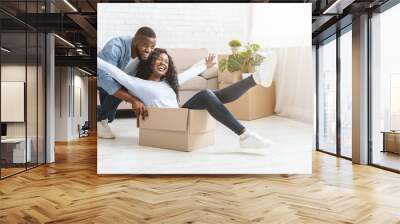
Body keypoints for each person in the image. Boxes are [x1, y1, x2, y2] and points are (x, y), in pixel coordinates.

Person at [98, 48, 273, 149]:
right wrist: (96, 60)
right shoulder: (138, 83)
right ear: (150, 63)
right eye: (158, 59)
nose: (163, 62)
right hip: (170, 120)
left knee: (213, 96)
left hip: (180, 115)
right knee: (206, 95)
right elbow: (115, 72)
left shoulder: (169, 83)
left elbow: (188, 74)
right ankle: (244, 135)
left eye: (166, 61)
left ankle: (256, 79)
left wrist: (204, 65)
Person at [97, 27, 208, 139]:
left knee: (108, 114)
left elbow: (180, 77)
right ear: (135, 41)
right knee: (107, 112)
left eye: (152, 47)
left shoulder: (146, 57)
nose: (149, 50)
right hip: (101, 78)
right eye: (145, 45)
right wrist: (133, 100)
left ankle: (100, 116)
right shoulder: (115, 47)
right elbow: (104, 78)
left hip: (121, 80)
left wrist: (203, 65)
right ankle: (100, 119)